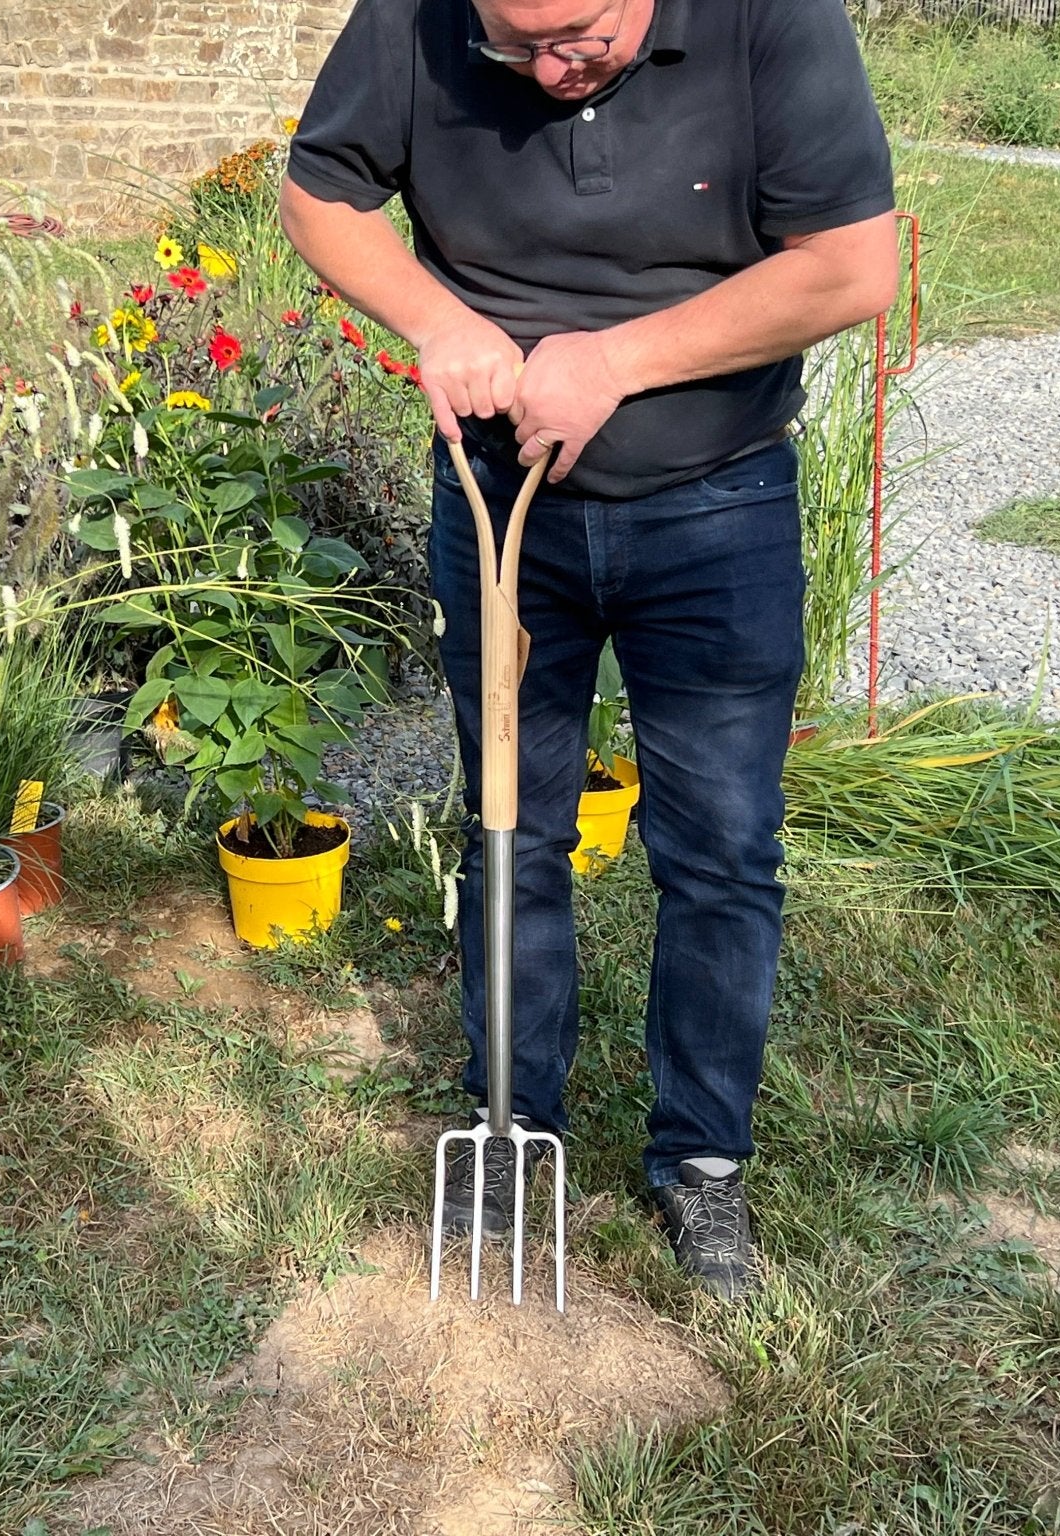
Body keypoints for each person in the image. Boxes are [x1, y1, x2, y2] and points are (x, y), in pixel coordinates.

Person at [282, 0, 897, 1299]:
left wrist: (615, 361)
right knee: (511, 825)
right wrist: (435, 319)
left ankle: (703, 1165)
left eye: (583, 34)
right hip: (502, 506)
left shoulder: (773, 22)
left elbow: (851, 265)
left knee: (722, 845)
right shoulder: (419, 12)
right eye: (516, 45)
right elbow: (321, 193)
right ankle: (513, 1125)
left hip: (716, 503)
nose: (552, 70)